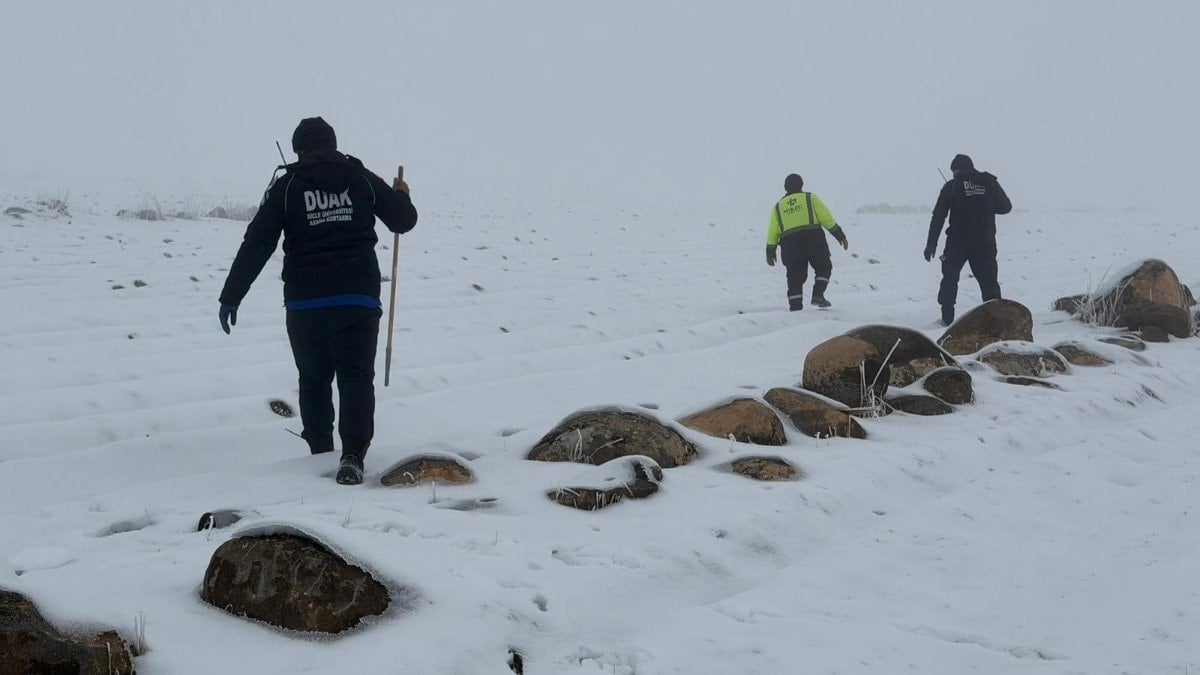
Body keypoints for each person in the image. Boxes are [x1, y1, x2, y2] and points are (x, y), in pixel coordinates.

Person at [218, 117, 418, 485]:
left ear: (300, 149)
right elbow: (403, 220)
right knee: (356, 378)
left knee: (313, 380)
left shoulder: (289, 185)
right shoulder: (358, 178)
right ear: (333, 143)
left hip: (305, 304)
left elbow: (257, 241)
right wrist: (401, 194)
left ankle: (321, 455)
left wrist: (232, 296)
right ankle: (353, 456)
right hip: (357, 299)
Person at [924, 153, 1012, 326]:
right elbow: (1006, 207)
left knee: (949, 278)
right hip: (984, 242)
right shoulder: (989, 182)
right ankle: (995, 322)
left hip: (957, 242)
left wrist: (931, 243)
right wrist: (983, 205)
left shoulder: (951, 186)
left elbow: (938, 216)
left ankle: (947, 319)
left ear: (956, 170)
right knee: (989, 283)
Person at [766, 174, 849, 310]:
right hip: (813, 240)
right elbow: (826, 218)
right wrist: (840, 235)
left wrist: (770, 252)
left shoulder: (778, 207)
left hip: (789, 245)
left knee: (794, 279)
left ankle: (795, 309)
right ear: (801, 185)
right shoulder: (810, 198)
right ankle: (818, 295)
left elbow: (772, 231)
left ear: (785, 188)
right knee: (823, 267)